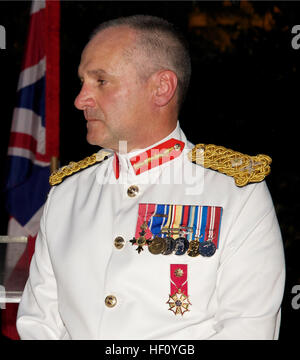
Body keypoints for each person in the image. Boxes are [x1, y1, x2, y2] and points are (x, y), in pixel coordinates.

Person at [16, 15, 285, 340]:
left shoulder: (236, 192)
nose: (80, 99)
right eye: (82, 82)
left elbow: (248, 328)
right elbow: (38, 324)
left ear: (161, 88)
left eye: (100, 81)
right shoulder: (67, 193)